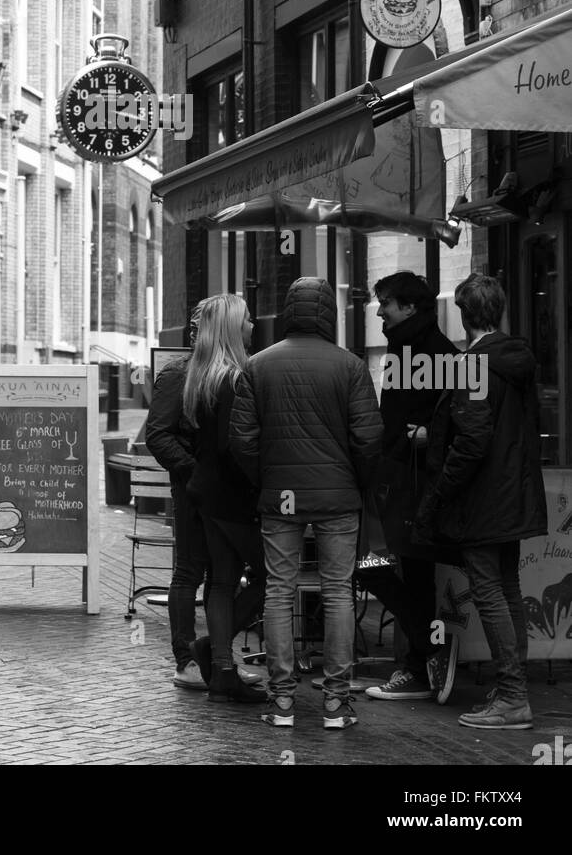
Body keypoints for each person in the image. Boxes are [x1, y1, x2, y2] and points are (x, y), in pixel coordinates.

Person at [231, 277, 383, 729]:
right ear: (329, 314)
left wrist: (267, 480)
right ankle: (336, 703)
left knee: (279, 589)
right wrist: (358, 483)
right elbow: (369, 438)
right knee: (339, 591)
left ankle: (281, 702)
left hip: (281, 497)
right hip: (339, 496)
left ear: (287, 310)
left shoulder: (257, 366)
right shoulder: (351, 365)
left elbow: (242, 439)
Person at [412, 273, 547, 730]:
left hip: (482, 499)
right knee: (507, 588)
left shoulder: (473, 366)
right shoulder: (515, 358)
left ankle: (512, 698)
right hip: (513, 494)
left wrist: (438, 495)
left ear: (464, 316)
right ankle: (514, 690)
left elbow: (472, 442)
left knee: (490, 591)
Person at [363, 271, 460, 703]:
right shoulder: (405, 348)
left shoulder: (436, 353)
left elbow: (458, 422)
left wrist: (419, 438)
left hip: (415, 484)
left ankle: (421, 662)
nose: (380, 310)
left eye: (386, 302)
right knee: (389, 569)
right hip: (400, 479)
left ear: (410, 306)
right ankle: (424, 653)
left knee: (397, 569)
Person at [182, 294, 266, 704]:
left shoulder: (201, 375)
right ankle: (216, 652)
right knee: (273, 578)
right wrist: (260, 481)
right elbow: (235, 446)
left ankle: (222, 670)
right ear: (233, 329)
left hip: (206, 494)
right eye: (248, 321)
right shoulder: (235, 378)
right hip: (232, 499)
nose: (254, 326)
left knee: (222, 582)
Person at [145, 300, 209, 689]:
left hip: (229, 495)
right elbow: (158, 434)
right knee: (188, 573)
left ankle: (215, 656)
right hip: (192, 493)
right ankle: (186, 659)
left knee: (224, 576)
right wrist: (194, 472)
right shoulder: (177, 374)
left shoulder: (240, 371)